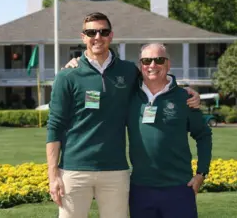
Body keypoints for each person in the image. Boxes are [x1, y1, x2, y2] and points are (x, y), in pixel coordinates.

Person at [46, 12, 201, 218]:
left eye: (103, 31)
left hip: (115, 171)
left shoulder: (128, 71)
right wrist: (53, 175)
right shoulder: (67, 76)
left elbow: (155, 76)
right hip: (74, 170)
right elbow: (54, 126)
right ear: (83, 37)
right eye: (91, 32)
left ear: (111, 36)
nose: (97, 37)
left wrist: (184, 92)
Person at [126, 43, 213, 218]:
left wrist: (201, 173)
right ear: (140, 65)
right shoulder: (129, 95)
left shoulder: (184, 98)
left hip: (179, 188)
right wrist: (76, 62)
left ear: (168, 64)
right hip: (140, 189)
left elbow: (203, 135)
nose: (152, 65)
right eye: (147, 60)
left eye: (159, 60)